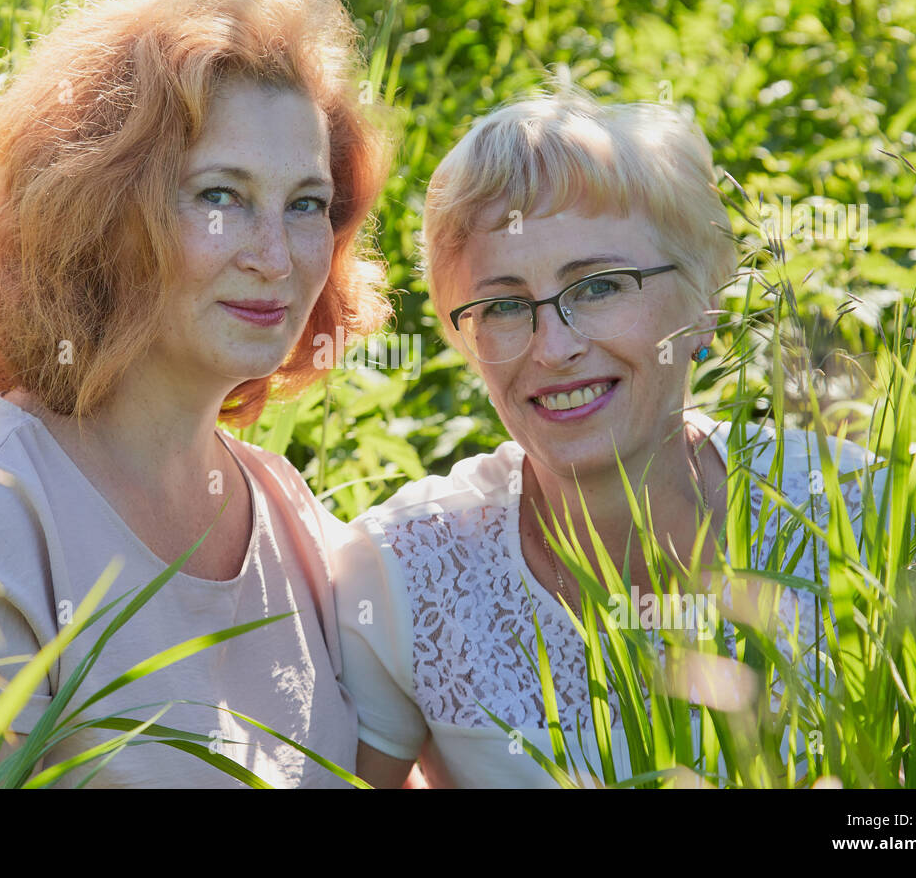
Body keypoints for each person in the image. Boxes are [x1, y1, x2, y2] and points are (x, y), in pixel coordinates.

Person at [0, 0, 397, 788]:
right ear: (98, 215)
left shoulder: (287, 512)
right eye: (220, 197)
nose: (279, 256)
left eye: (305, 204)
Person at [334, 86, 883, 788]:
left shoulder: (861, 514)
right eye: (504, 305)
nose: (554, 347)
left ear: (705, 304)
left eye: (598, 287)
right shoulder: (405, 570)